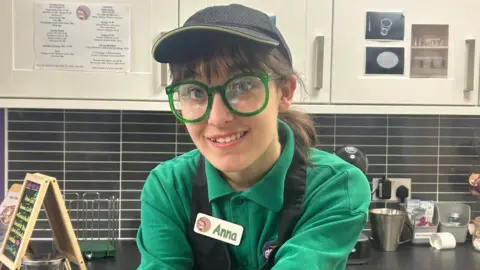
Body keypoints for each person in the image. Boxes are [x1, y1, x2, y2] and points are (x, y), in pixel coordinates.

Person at [136, 4, 371, 270]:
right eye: (195, 92)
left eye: (242, 86)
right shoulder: (170, 187)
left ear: (284, 91)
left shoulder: (335, 187)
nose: (217, 118)